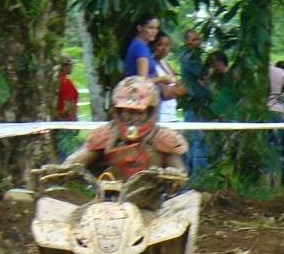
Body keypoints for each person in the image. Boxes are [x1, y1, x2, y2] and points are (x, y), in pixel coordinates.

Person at [58, 76, 187, 187]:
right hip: (108, 199)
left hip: (150, 201)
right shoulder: (106, 134)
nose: (133, 118)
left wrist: (173, 173)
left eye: (139, 112)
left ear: (150, 111)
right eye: (128, 112)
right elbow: (79, 158)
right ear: (118, 111)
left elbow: (180, 170)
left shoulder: (163, 137)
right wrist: (61, 169)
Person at [179, 29, 209, 178]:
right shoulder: (190, 58)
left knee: (193, 139)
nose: (197, 42)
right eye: (193, 40)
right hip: (194, 104)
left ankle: (193, 174)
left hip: (195, 103)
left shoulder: (189, 56)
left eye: (198, 39)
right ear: (187, 42)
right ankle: (199, 175)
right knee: (197, 139)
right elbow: (204, 74)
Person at [121, 15, 173, 87]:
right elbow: (142, 82)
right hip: (142, 96)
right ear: (139, 28)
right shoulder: (141, 48)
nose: (154, 32)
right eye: (151, 27)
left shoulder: (136, 45)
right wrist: (162, 79)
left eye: (156, 28)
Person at [150, 32, 185, 123]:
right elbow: (165, 93)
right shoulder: (151, 65)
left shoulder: (165, 64)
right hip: (161, 116)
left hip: (172, 114)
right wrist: (176, 90)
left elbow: (182, 87)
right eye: (160, 45)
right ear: (153, 46)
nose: (164, 48)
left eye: (167, 45)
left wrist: (173, 89)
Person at [55, 55, 79, 161]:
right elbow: (69, 105)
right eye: (69, 65)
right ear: (63, 66)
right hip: (66, 121)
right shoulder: (66, 82)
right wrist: (73, 121)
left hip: (57, 120)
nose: (71, 67)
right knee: (68, 151)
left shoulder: (55, 82)